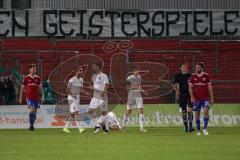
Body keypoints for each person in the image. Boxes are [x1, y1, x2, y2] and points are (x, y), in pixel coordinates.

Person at [189, 62, 214, 136]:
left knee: (206, 112)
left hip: (205, 98)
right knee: (197, 114)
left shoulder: (206, 76)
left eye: (198, 67)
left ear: (202, 68)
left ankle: (205, 129)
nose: (196, 68)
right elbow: (190, 88)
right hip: (196, 99)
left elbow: (209, 87)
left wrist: (212, 98)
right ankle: (198, 130)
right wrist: (192, 97)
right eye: (196, 67)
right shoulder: (192, 76)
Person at [19, 64, 44, 131]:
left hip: (36, 98)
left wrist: (42, 96)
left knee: (35, 112)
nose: (34, 70)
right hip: (29, 98)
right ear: (30, 69)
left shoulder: (37, 78)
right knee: (32, 109)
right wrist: (20, 97)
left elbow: (41, 88)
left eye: (35, 69)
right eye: (33, 68)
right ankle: (31, 126)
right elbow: (22, 88)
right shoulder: (26, 78)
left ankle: (31, 126)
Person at [122, 66, 148, 132]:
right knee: (129, 111)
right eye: (137, 70)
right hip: (131, 96)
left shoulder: (139, 78)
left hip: (138, 96)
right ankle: (123, 125)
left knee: (141, 110)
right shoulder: (129, 78)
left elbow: (139, 86)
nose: (138, 71)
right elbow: (127, 88)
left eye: (139, 70)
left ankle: (141, 128)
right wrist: (133, 88)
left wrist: (143, 91)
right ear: (133, 71)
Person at [63, 68, 87, 134]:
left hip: (77, 99)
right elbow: (67, 90)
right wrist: (72, 95)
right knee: (76, 112)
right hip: (71, 98)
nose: (82, 72)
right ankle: (80, 128)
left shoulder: (81, 80)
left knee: (72, 114)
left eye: (82, 71)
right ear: (76, 72)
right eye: (80, 71)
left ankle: (65, 128)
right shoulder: (72, 80)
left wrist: (87, 92)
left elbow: (81, 89)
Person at [172, 63, 194, 133]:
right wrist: (177, 91)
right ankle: (186, 127)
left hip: (189, 95)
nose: (185, 68)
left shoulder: (190, 75)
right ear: (180, 68)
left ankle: (190, 127)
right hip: (182, 95)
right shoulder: (178, 75)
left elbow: (193, 84)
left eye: (186, 67)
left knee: (190, 110)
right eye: (183, 67)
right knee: (184, 111)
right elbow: (173, 84)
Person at [89, 62, 110, 134]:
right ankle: (97, 126)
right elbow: (96, 85)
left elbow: (106, 84)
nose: (93, 68)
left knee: (104, 112)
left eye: (94, 66)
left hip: (102, 96)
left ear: (98, 67)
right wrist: (92, 88)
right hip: (95, 96)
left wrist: (104, 92)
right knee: (90, 110)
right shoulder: (93, 76)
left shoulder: (104, 75)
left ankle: (107, 129)